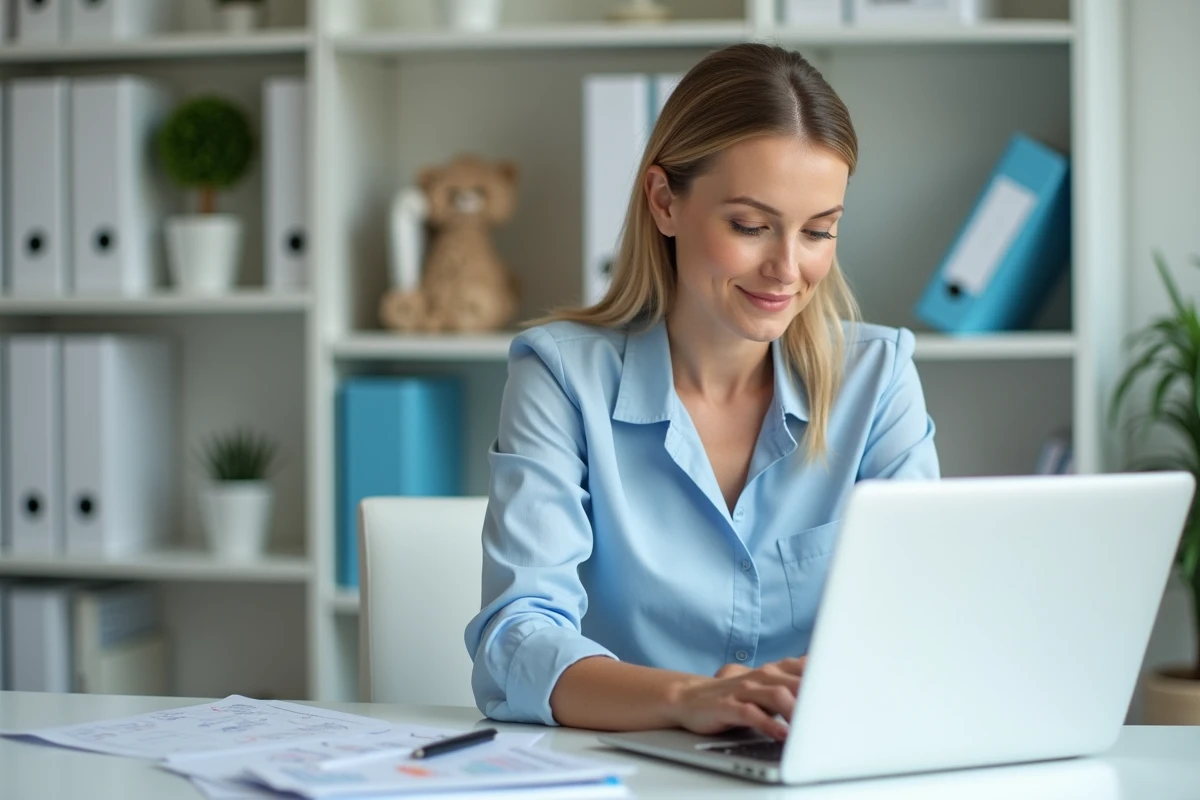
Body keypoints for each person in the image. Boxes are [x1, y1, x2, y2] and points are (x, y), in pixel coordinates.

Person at [463, 42, 939, 741]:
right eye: (750, 226)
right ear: (664, 202)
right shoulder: (562, 378)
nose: (786, 269)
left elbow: (924, 617)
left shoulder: (879, 378)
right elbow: (516, 641)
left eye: (819, 231)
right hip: (626, 775)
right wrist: (688, 699)